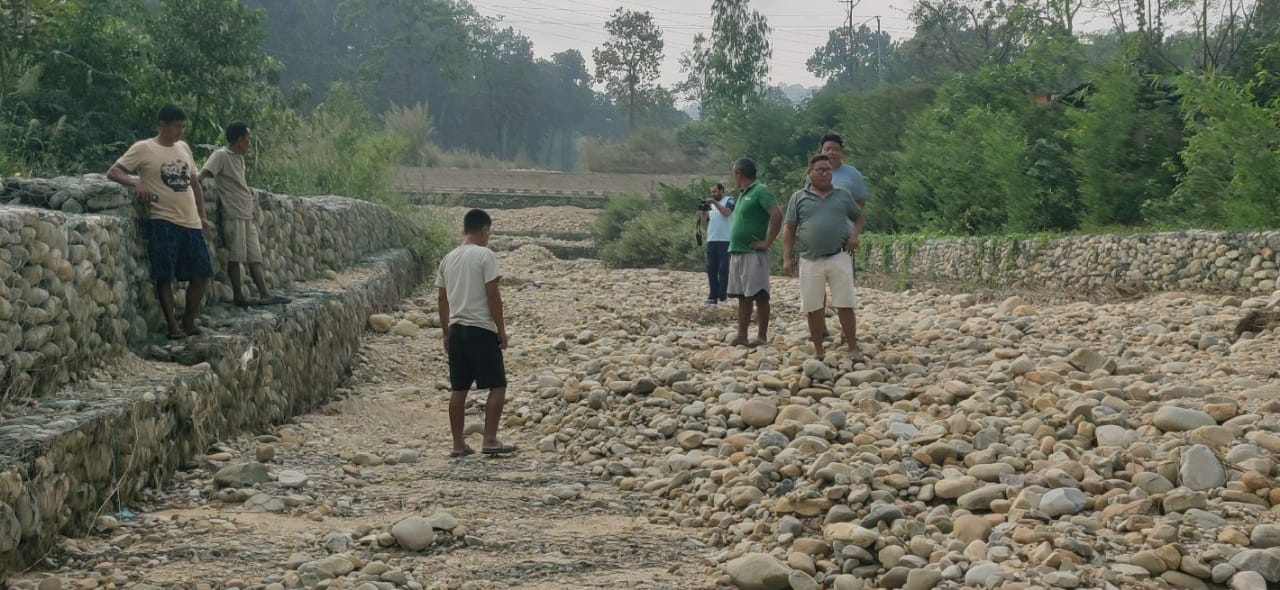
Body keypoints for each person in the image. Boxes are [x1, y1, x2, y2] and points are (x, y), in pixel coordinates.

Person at [108, 104, 213, 339]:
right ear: (162, 125)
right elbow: (114, 171)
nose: (180, 132)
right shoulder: (144, 148)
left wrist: (202, 215)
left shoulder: (184, 148)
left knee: (202, 273)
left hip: (191, 222)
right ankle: (172, 326)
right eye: (177, 126)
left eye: (183, 127)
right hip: (163, 219)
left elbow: (194, 183)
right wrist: (136, 182)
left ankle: (188, 321)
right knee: (164, 275)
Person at [436, 209, 516, 458]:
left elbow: (441, 298)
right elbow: (493, 294)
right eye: (488, 232)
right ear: (484, 230)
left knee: (459, 390)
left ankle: (458, 444)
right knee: (498, 385)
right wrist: (501, 329)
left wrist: (446, 332)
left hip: (457, 330)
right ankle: (490, 439)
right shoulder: (485, 255)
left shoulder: (448, 259)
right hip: (480, 328)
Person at [199, 121, 291, 308]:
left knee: (254, 255)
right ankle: (238, 296)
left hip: (246, 213)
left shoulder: (239, 159)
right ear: (239, 140)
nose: (249, 144)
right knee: (236, 256)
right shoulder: (221, 156)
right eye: (247, 140)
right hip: (233, 212)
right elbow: (202, 175)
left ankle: (265, 294)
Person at [783, 154, 866, 359]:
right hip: (810, 260)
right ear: (809, 173)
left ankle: (853, 347)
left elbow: (859, 218)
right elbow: (790, 229)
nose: (825, 173)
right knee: (813, 306)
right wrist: (786, 258)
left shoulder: (842, 195)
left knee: (845, 303)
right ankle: (819, 350)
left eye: (828, 169)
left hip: (839, 256)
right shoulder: (798, 197)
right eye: (820, 170)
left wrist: (854, 236)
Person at [816, 133, 871, 338]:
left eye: (835, 148)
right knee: (817, 284)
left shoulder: (852, 175)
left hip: (843, 238)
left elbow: (860, 203)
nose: (831, 152)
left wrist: (852, 231)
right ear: (821, 151)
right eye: (827, 148)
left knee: (843, 285)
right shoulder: (813, 174)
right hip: (817, 239)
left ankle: (847, 331)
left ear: (842, 152)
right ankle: (820, 327)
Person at [726, 158, 783, 347]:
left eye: (733, 173)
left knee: (760, 295)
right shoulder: (743, 194)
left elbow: (776, 215)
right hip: (738, 251)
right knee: (742, 295)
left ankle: (761, 336)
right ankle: (742, 334)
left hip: (753, 253)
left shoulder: (760, 190)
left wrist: (767, 242)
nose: (733, 177)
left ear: (739, 173)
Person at [698, 183, 735, 305]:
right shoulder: (711, 207)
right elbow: (704, 227)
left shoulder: (729, 200)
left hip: (726, 240)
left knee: (723, 269)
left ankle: (722, 296)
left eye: (715, 192)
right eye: (711, 192)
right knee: (711, 269)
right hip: (712, 240)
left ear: (721, 191)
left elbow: (727, 213)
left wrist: (714, 203)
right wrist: (703, 215)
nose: (712, 194)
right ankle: (713, 296)